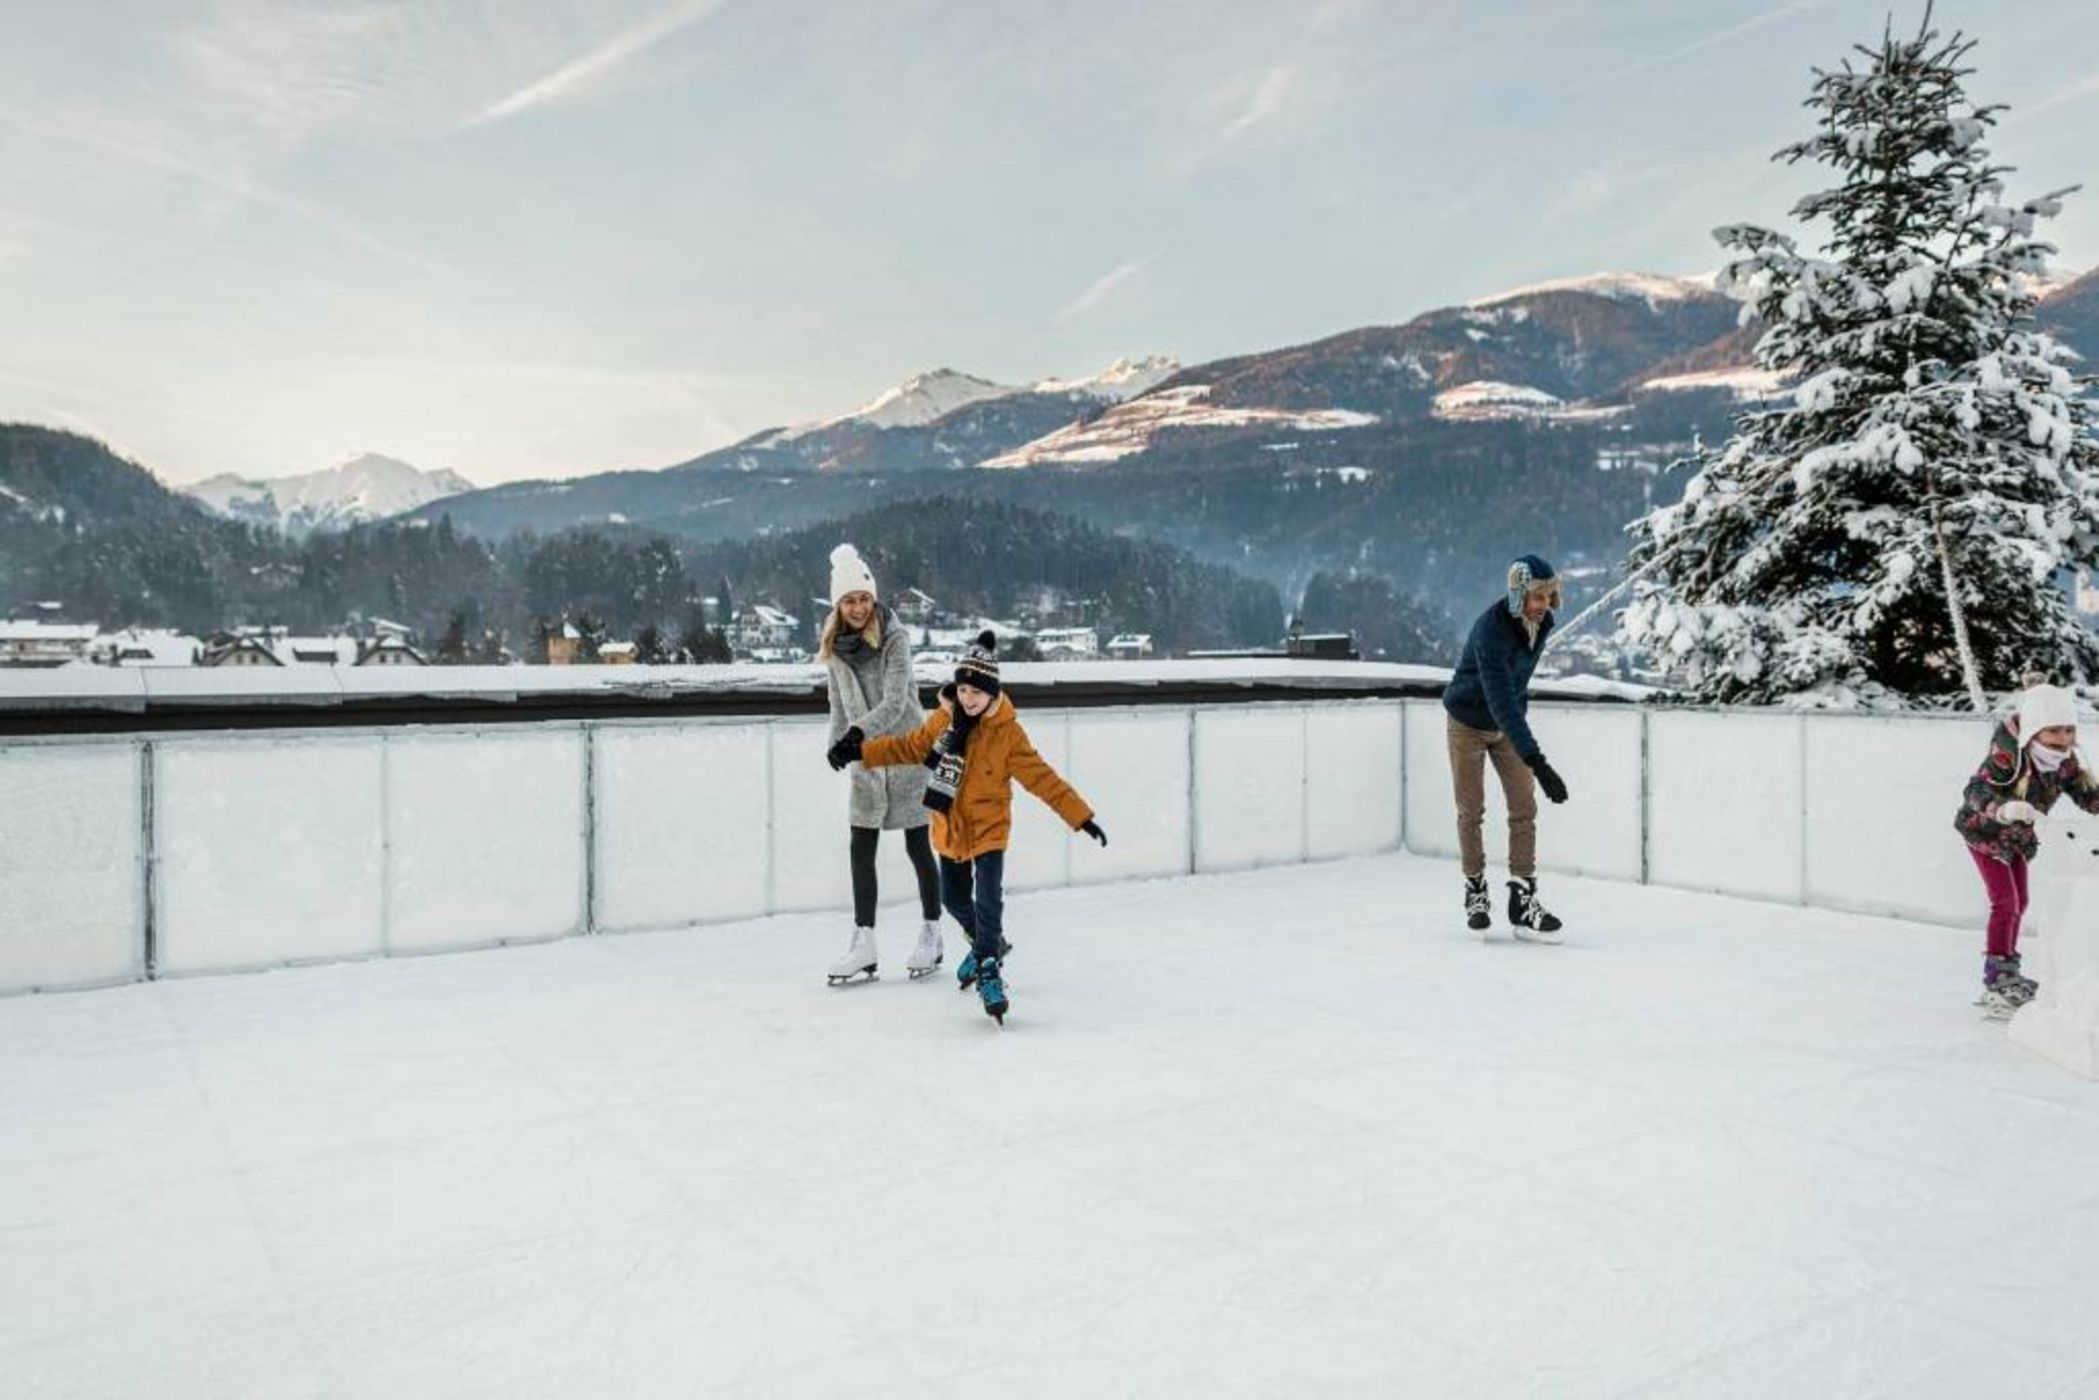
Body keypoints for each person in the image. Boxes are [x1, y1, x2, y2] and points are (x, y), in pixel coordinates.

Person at [828, 631, 1105, 1023]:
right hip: (949, 828)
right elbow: (909, 747)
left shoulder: (1007, 733)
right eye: (962, 689)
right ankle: (986, 946)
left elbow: (1042, 778)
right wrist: (860, 751)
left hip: (989, 829)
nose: (968, 698)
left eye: (977, 691)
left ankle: (988, 964)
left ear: (992, 693)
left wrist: (1082, 817)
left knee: (989, 900)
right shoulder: (944, 721)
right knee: (954, 900)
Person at [819, 544, 943, 986]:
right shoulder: (834, 648)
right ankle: (864, 942)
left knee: (916, 844)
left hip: (907, 752)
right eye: (850, 600)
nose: (858, 607)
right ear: (838, 604)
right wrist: (836, 742)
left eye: (864, 599)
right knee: (860, 844)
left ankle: (932, 931)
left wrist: (856, 735)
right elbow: (838, 702)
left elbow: (895, 701)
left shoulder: (895, 637)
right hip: (865, 760)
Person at [1441, 555, 1572, 941]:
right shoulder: (1489, 633)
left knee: (1523, 808)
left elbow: (1516, 687)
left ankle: (1522, 897)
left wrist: (1528, 758)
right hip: (1467, 721)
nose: (1543, 605)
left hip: (1507, 725)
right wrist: (1539, 762)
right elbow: (1501, 699)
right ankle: (1476, 890)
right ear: (1517, 595)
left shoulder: (1543, 623)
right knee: (1471, 810)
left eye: (1549, 596)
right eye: (1536, 597)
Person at [1954, 681, 2099, 1018]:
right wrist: (2002, 809)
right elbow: (1973, 792)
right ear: (2034, 731)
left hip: (2017, 838)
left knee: (2022, 901)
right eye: (2053, 731)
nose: (2063, 738)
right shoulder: (2007, 757)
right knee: (2006, 902)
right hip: (1984, 833)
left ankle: (2009, 970)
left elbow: (2087, 795)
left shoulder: (2064, 762)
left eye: (2068, 729)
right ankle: (1996, 980)